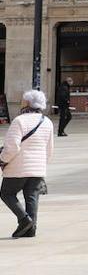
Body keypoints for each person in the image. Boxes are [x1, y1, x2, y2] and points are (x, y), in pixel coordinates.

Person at [0, 90, 54, 238]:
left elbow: (12, 147)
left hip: (18, 167)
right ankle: (31, 229)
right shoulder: (47, 121)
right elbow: (49, 149)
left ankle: (24, 220)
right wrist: (43, 164)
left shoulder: (19, 120)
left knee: (6, 193)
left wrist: (3, 160)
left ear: (28, 103)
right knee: (32, 197)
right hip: (38, 168)